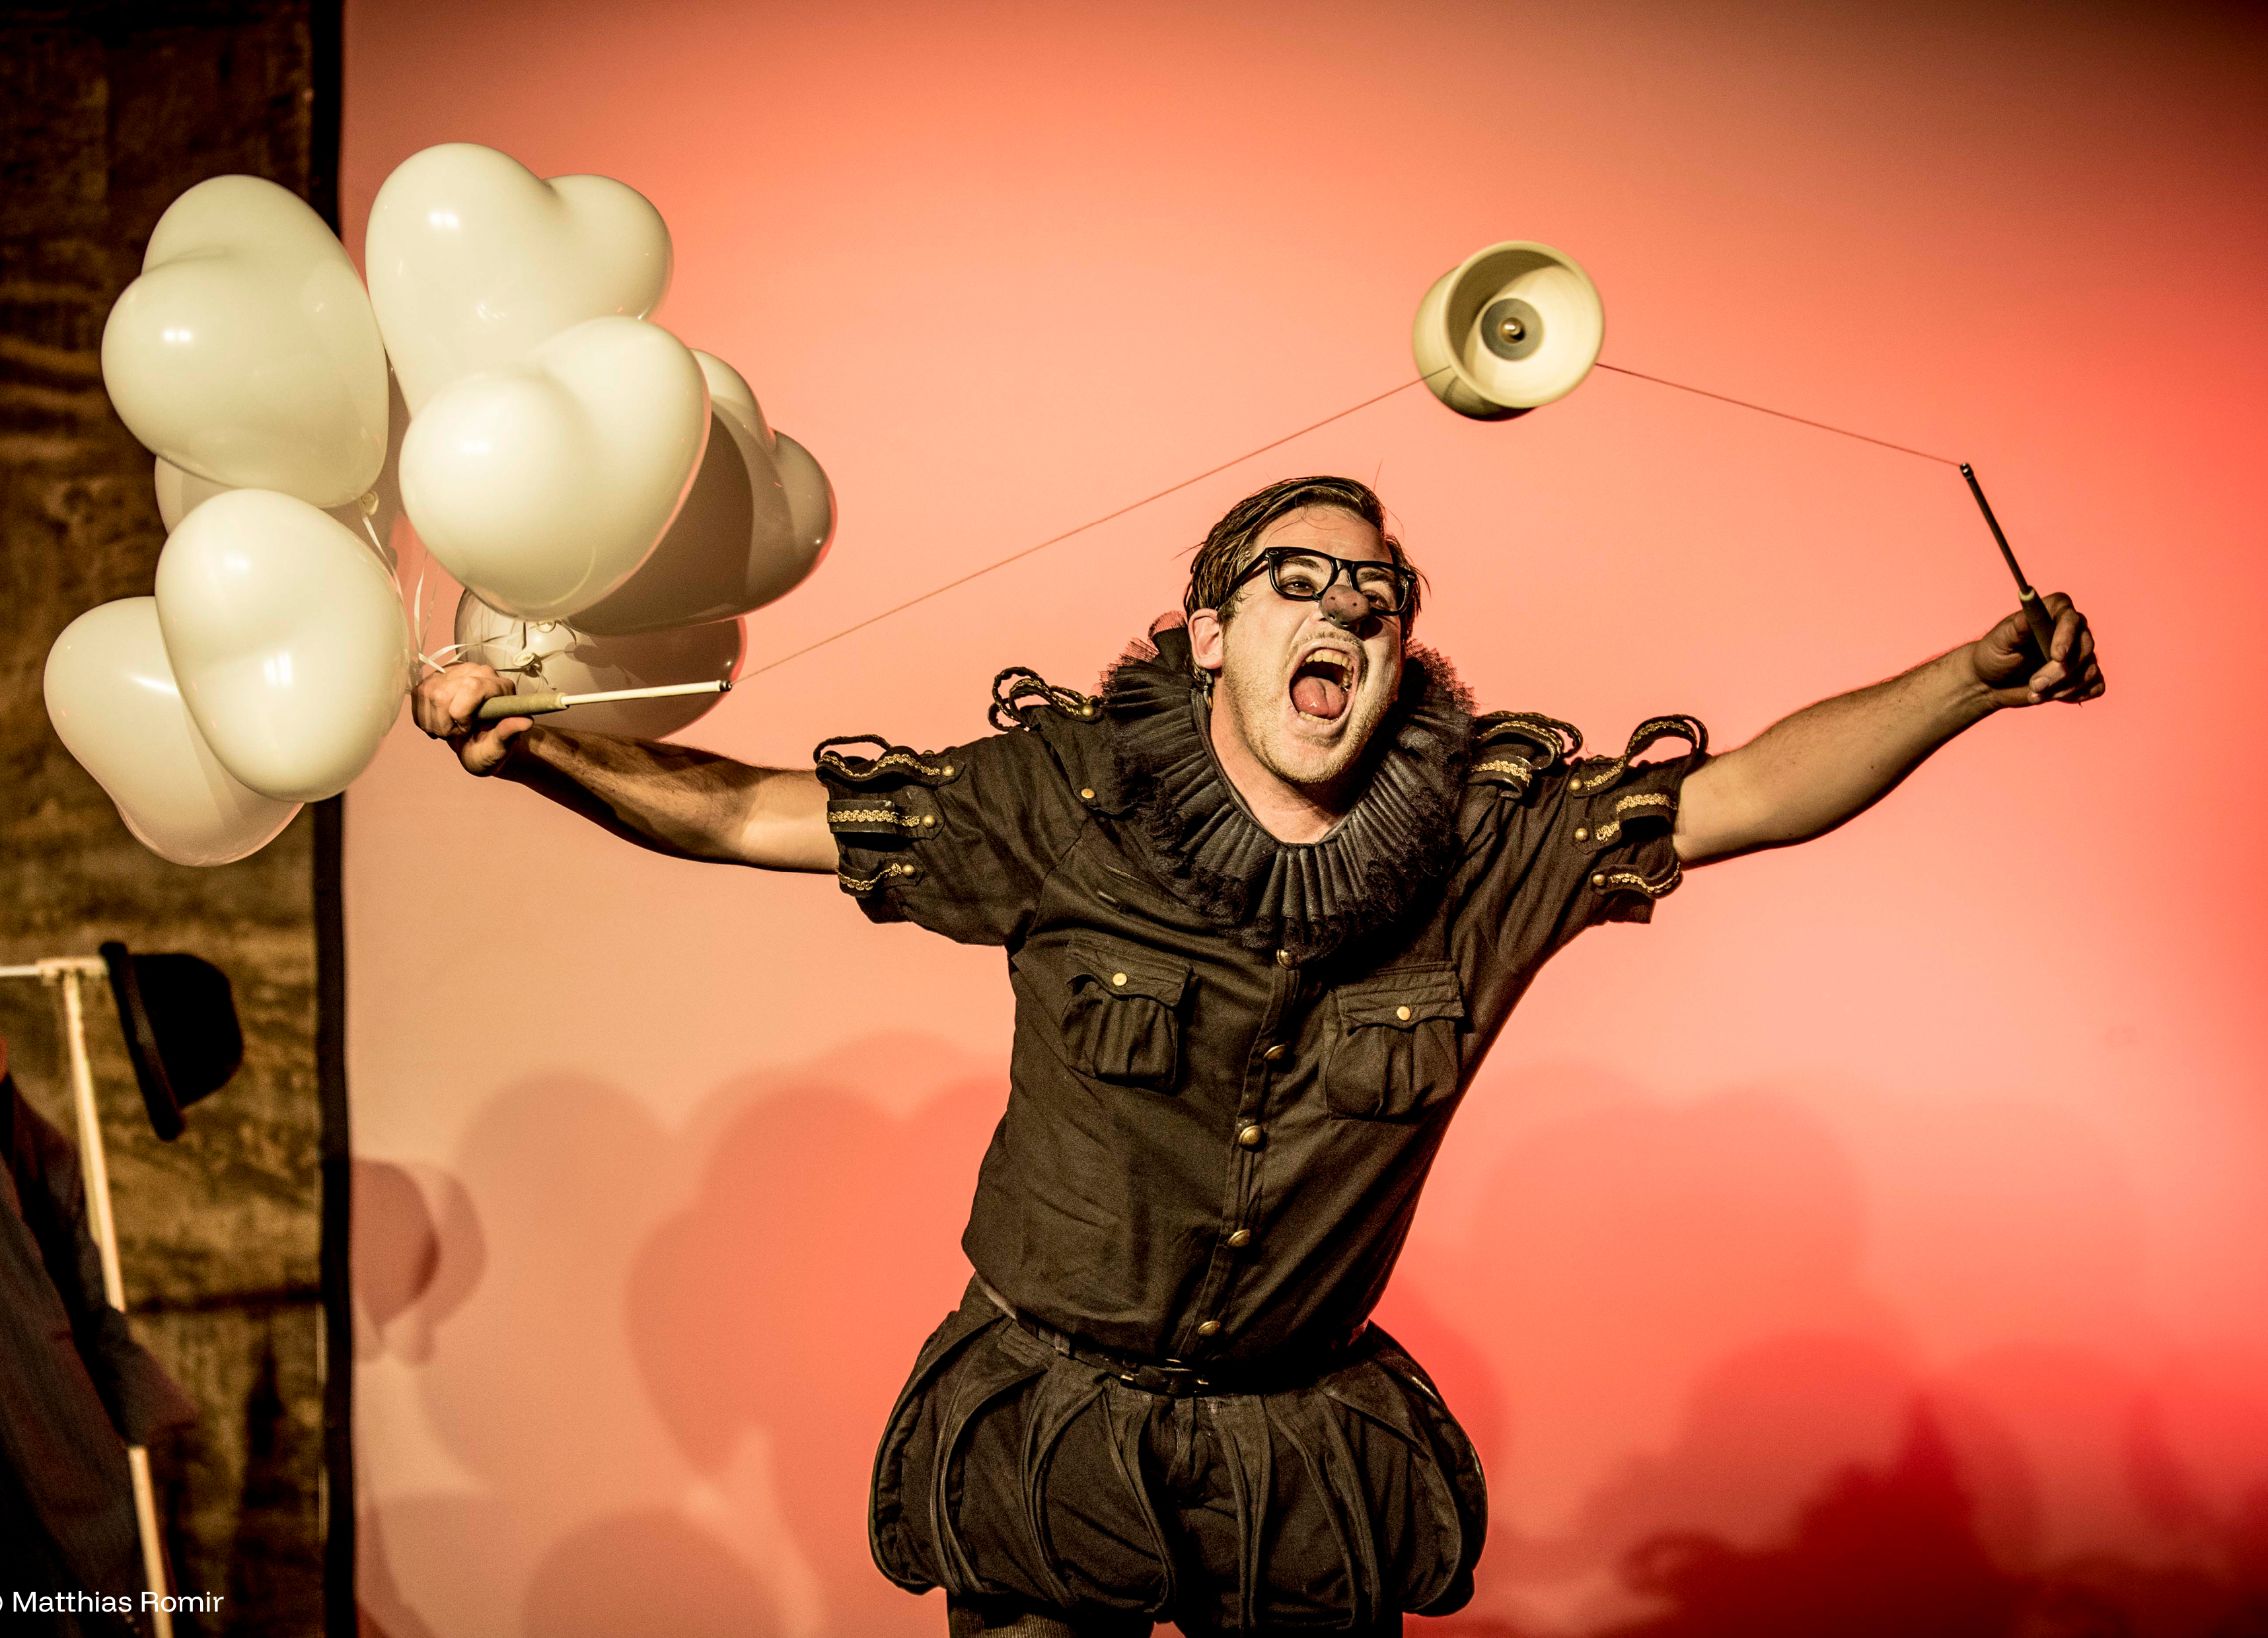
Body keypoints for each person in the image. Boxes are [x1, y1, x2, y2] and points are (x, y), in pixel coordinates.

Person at [412, 475, 2103, 1637]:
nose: (1343, 607)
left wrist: (1967, 680)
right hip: (1050, 1423)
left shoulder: (1489, 845)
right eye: (1296, 579)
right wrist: (539, 749)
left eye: (1376, 596)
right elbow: (749, 816)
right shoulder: (1062, 800)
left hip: (1295, 1447)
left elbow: (1740, 795)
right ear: (1208, 633)